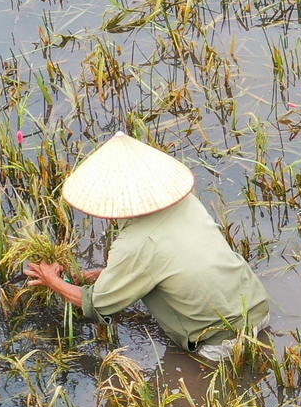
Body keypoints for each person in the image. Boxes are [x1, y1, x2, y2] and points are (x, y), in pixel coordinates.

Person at [22, 132, 270, 363]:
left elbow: (96, 305)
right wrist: (101, 275)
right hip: (258, 309)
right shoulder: (186, 202)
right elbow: (174, 261)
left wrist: (51, 279)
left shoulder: (133, 245)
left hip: (221, 342)